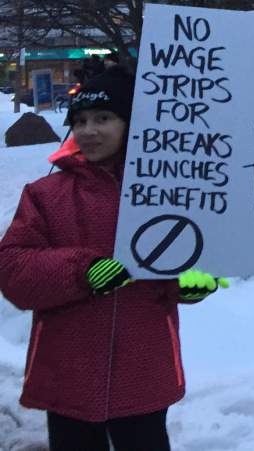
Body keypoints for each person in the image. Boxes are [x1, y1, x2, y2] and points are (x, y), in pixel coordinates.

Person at [0, 67, 228, 451]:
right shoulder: (44, 194)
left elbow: (182, 257)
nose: (89, 131)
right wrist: (83, 271)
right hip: (67, 375)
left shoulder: (166, 192)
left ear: (131, 123)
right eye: (81, 121)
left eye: (103, 119)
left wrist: (188, 283)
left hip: (142, 372)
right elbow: (13, 268)